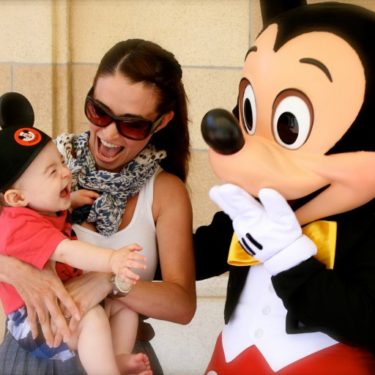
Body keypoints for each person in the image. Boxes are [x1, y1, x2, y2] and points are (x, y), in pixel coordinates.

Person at [0, 39, 196, 375]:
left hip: (118, 355)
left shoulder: (165, 192)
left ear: (161, 123)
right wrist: (13, 269)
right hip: (32, 359)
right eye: (99, 112)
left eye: (131, 124)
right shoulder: (43, 167)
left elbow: (182, 305)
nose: (108, 133)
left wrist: (108, 281)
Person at [0, 101, 151, 375]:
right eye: (52, 172)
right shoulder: (17, 224)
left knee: (126, 306)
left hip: (63, 301)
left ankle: (115, 358)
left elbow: (47, 210)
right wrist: (112, 259)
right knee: (92, 318)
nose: (66, 172)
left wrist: (71, 200)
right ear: (17, 198)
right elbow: (67, 251)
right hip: (36, 318)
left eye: (60, 162)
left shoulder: (35, 206)